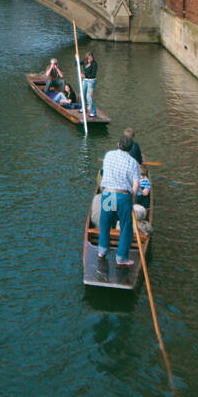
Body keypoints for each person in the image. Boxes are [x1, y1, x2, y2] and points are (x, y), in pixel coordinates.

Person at [98, 132, 140, 265]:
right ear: (131, 149)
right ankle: (121, 258)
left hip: (108, 194)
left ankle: (102, 251)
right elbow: (136, 185)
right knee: (126, 227)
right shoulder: (133, 163)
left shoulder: (108, 155)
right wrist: (132, 198)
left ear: (118, 144)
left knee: (105, 224)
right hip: (123, 196)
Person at [81, 52, 98, 117]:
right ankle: (84, 108)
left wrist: (84, 75)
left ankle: (93, 112)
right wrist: (76, 58)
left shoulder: (94, 64)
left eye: (91, 58)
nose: (90, 59)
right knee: (83, 94)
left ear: (92, 57)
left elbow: (93, 75)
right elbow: (77, 64)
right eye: (88, 58)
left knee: (88, 97)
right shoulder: (85, 61)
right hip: (85, 80)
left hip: (91, 81)